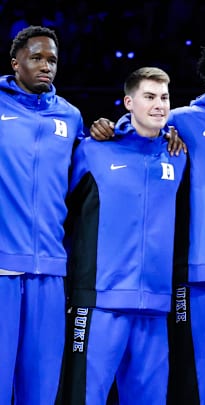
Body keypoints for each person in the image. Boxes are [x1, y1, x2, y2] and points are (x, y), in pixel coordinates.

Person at [90, 33, 205, 405]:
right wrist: (110, 127)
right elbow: (143, 126)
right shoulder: (184, 121)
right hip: (198, 279)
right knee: (197, 387)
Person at [62, 67, 186, 404]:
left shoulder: (178, 156)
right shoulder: (93, 151)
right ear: (128, 102)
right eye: (149, 97)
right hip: (101, 303)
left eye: (164, 98)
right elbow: (62, 214)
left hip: (155, 305)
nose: (159, 105)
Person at [0, 25, 84, 405]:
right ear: (15, 63)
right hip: (2, 266)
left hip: (50, 269)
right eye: (36, 58)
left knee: (42, 387)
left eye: (51, 59)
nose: (46, 66)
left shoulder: (70, 117)